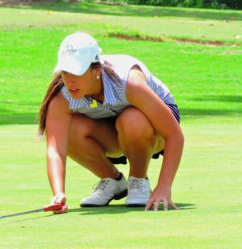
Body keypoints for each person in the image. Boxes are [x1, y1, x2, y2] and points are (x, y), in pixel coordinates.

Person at [38, 32, 184, 213]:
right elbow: (55, 148)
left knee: (132, 118)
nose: (70, 81)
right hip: (112, 126)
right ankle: (113, 181)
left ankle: (138, 180)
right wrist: (58, 193)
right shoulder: (62, 96)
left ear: (96, 70)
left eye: (77, 72)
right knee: (71, 129)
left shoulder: (129, 82)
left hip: (154, 128)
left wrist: (164, 185)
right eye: (65, 72)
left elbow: (174, 135)